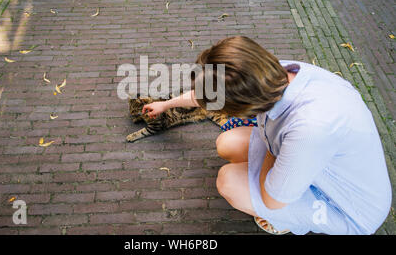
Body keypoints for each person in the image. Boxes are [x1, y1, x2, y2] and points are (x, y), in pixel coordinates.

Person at [142, 36, 392, 235]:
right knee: (227, 143)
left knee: (229, 181)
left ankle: (286, 222)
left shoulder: (310, 128)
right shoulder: (274, 73)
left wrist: (274, 154)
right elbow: (214, 92)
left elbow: (273, 200)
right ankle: (277, 177)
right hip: (314, 160)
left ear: (244, 107)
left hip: (345, 208)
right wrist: (167, 104)